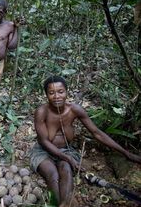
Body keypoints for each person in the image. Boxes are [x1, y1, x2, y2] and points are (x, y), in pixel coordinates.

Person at [29, 75, 141, 207]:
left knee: (66, 169)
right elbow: (44, 141)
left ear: (66, 92)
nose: (57, 96)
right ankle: (58, 204)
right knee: (52, 174)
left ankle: (65, 203)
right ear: (46, 95)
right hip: (43, 152)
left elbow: (96, 133)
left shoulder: (74, 110)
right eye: (51, 93)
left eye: (60, 92)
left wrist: (126, 154)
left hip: (66, 150)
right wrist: (66, 157)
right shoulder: (42, 112)